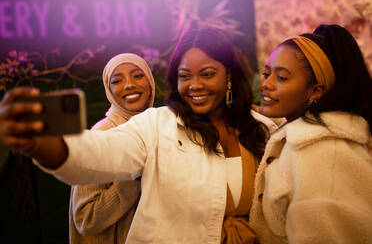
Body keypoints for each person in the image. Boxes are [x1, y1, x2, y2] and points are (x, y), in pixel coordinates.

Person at [0, 27, 278, 244]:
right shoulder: (156, 124)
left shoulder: (261, 129)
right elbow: (97, 151)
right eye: (184, 76)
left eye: (207, 74)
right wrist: (40, 142)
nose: (195, 85)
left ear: (228, 75)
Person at [250, 24, 372, 243]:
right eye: (267, 74)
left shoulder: (322, 154)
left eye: (282, 78)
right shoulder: (301, 138)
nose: (266, 85)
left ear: (315, 91)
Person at [69, 53, 155, 244]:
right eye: (117, 80)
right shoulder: (102, 134)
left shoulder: (158, 128)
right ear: (109, 90)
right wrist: (134, 179)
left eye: (138, 76)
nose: (129, 84)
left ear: (150, 84)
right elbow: (85, 218)